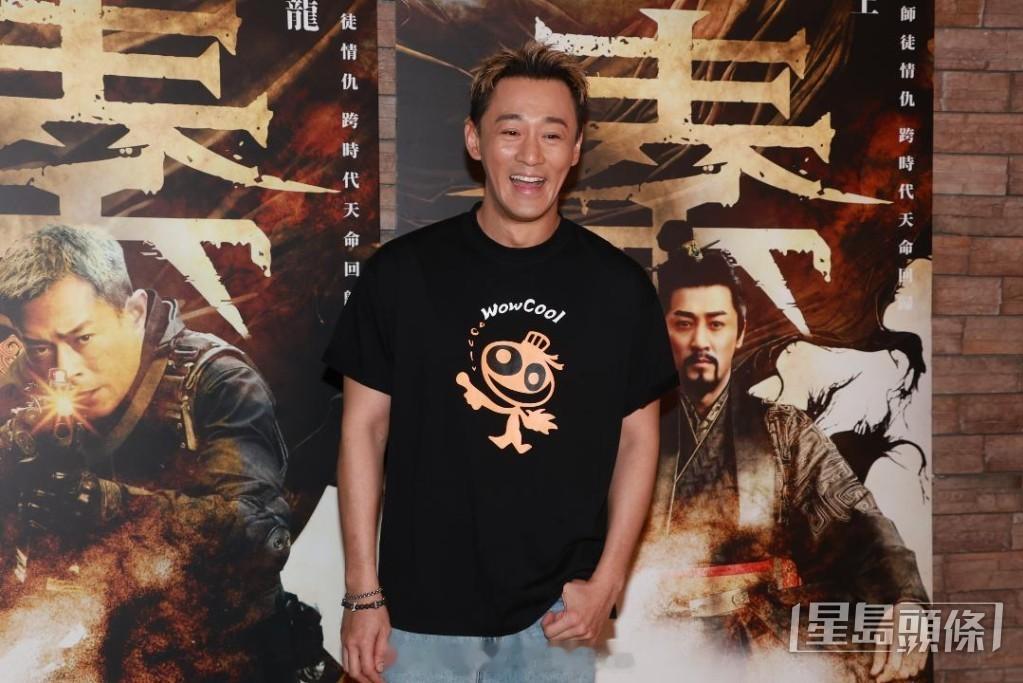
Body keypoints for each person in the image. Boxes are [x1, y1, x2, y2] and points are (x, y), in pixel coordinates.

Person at [324, 42, 678, 683]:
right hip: (415, 615)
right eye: (511, 131)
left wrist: (608, 582)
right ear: (475, 139)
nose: (531, 155)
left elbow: (638, 440)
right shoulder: (402, 276)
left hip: (555, 619)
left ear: (576, 149)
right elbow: (363, 430)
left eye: (553, 134)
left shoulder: (619, 289)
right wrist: (362, 594)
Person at [0, 225, 315, 681]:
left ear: (133, 312)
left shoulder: (217, 383)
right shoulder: (29, 398)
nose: (64, 369)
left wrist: (107, 503)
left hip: (215, 659)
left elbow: (261, 537)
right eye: (40, 348)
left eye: (82, 339)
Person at [646, 246, 930, 682]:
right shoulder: (628, 431)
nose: (701, 341)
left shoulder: (783, 429)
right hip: (652, 639)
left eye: (716, 323)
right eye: (684, 323)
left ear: (740, 332)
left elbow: (858, 523)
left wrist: (903, 599)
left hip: (761, 642)